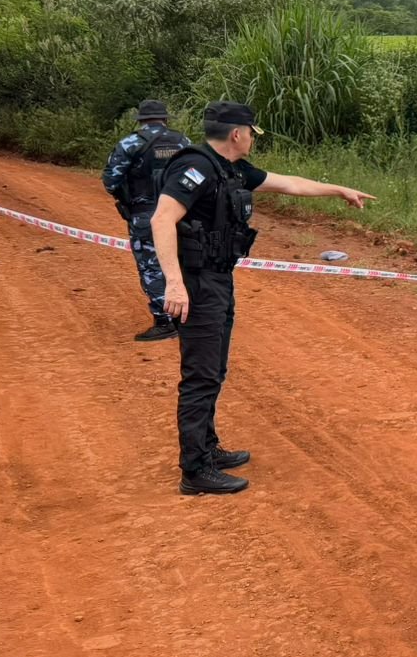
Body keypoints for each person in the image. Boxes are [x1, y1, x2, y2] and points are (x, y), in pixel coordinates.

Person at [151, 101, 374, 496]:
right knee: (200, 376)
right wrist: (174, 283)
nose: (253, 139)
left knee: (215, 370)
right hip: (197, 283)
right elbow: (162, 218)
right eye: (251, 133)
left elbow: (290, 184)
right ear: (237, 134)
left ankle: (207, 447)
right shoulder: (197, 167)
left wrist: (339, 190)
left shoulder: (232, 169)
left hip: (219, 278)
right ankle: (195, 469)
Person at [101, 99, 191, 341]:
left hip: (146, 214)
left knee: (152, 266)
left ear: (141, 120)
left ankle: (165, 321)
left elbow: (110, 181)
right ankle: (188, 316)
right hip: (180, 212)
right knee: (181, 261)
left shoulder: (130, 143)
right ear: (165, 119)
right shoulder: (182, 142)